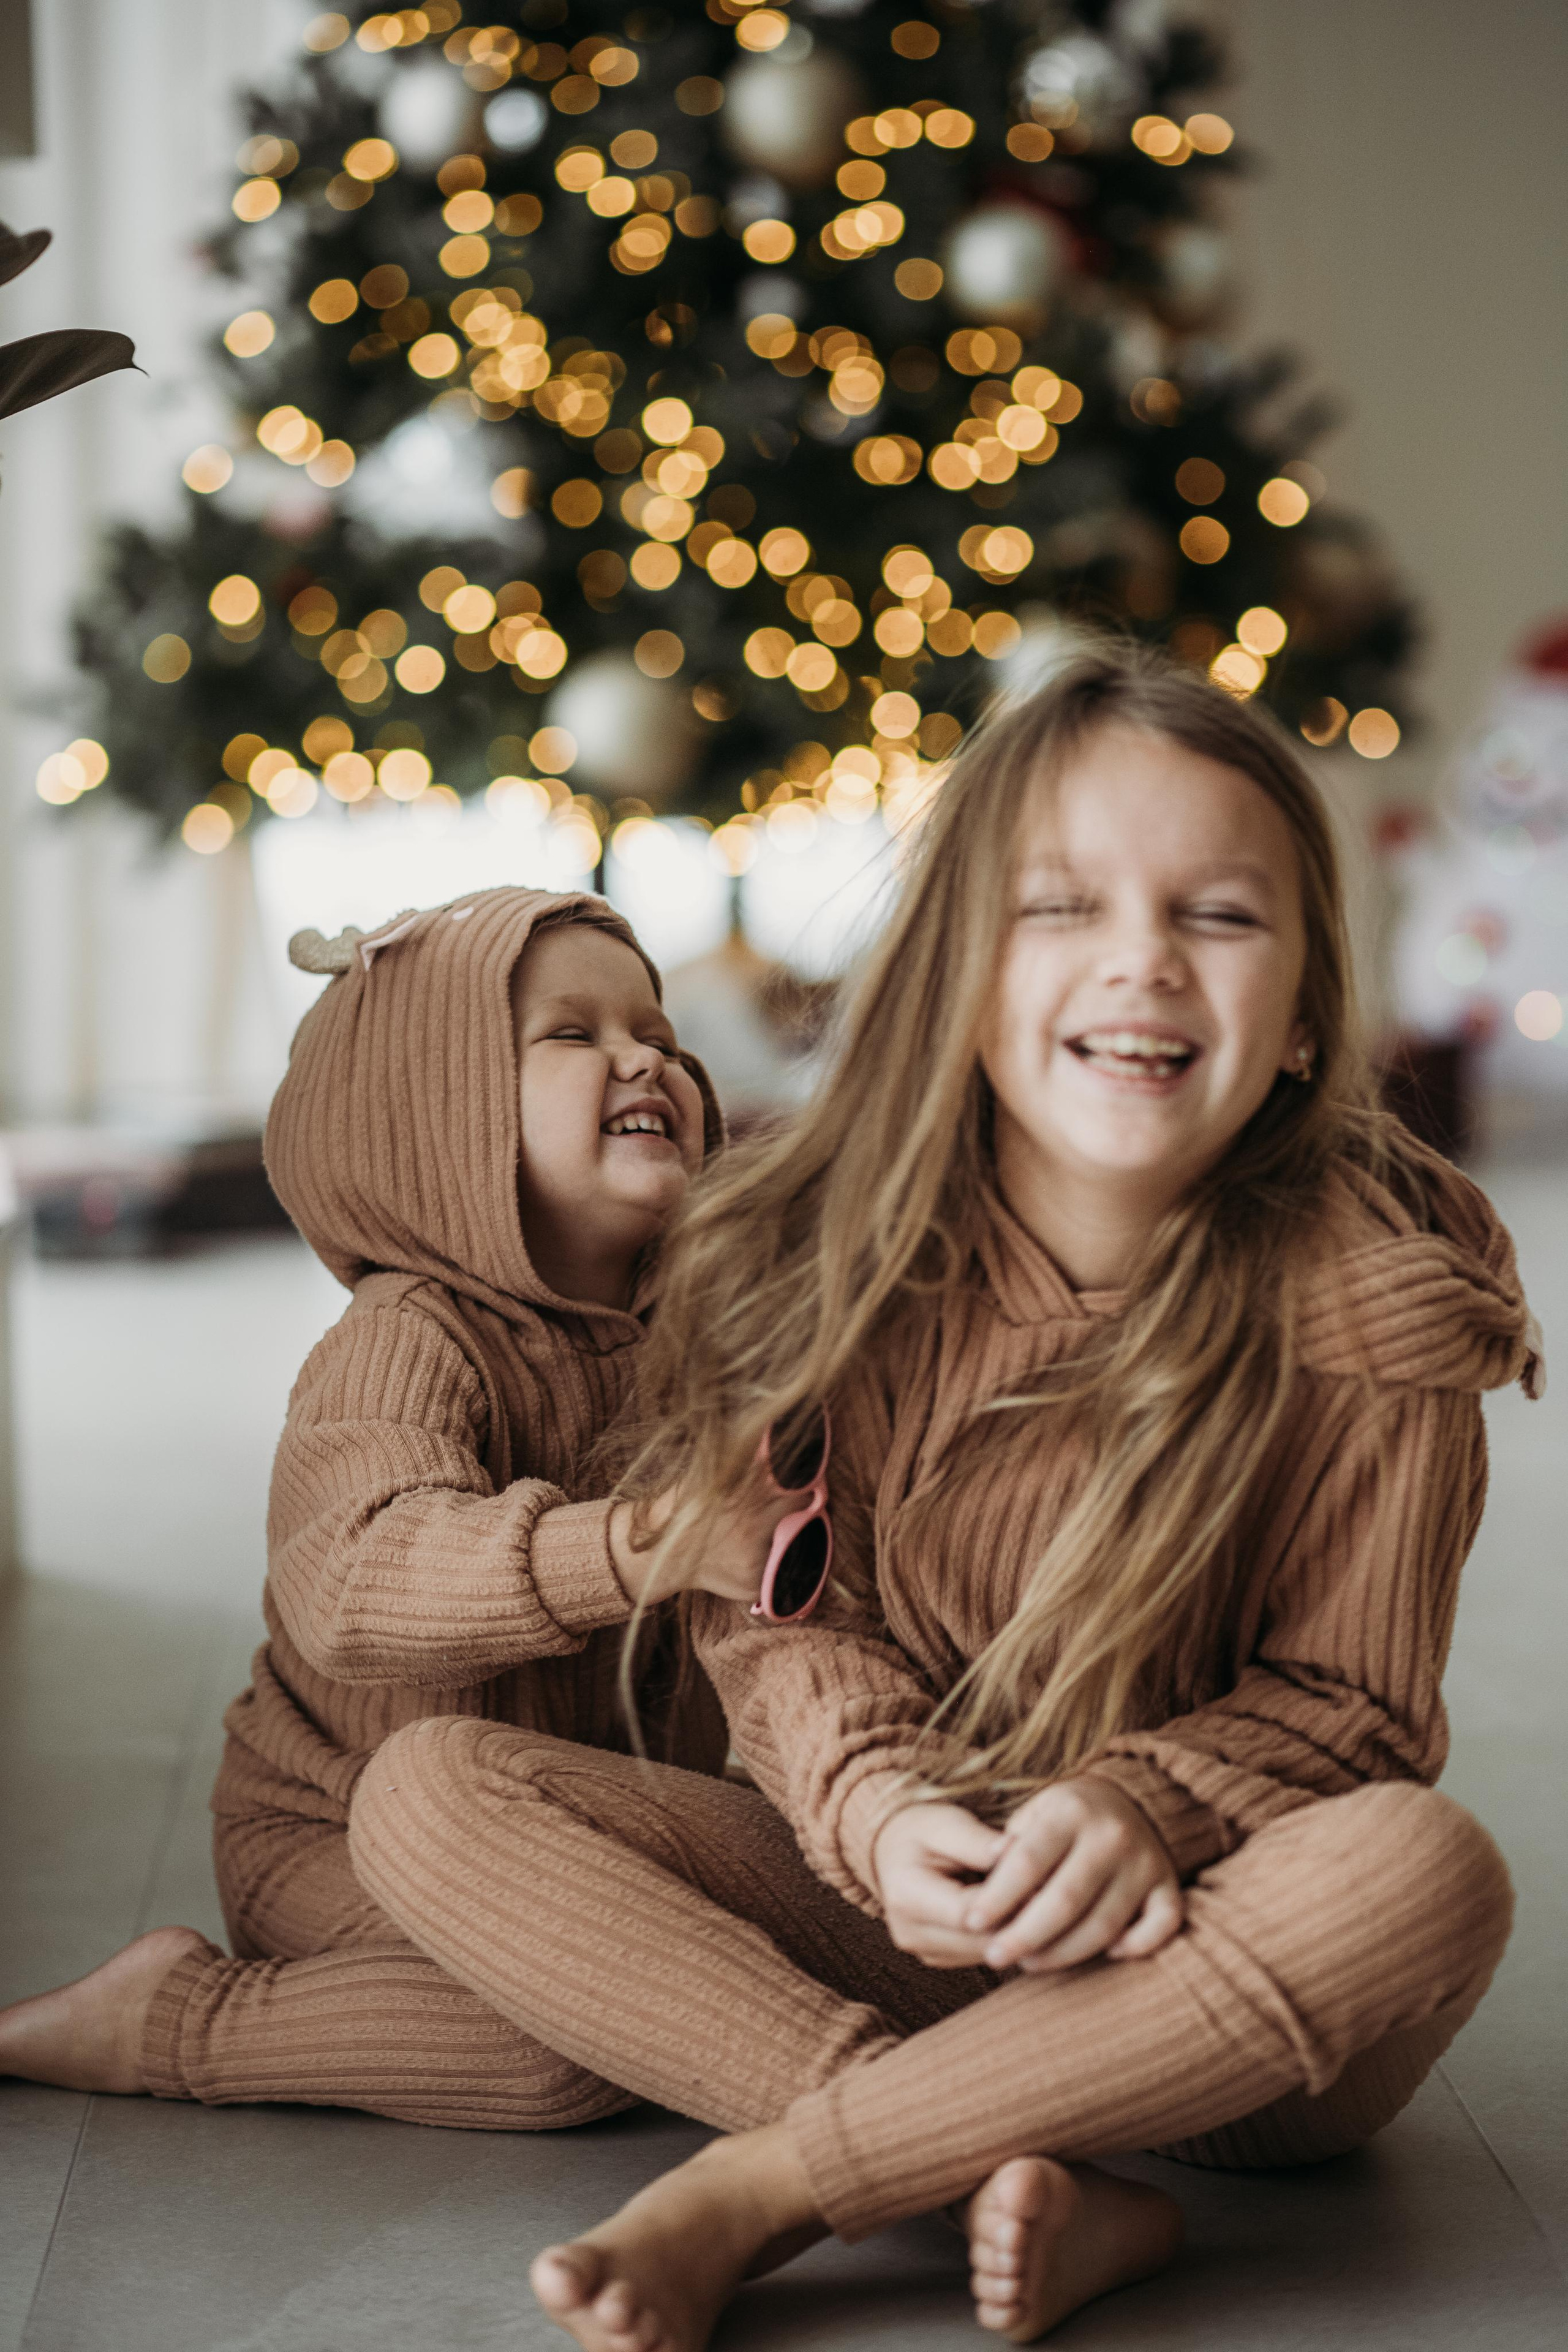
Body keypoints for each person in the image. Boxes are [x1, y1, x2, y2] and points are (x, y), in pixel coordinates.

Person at [325, 651, 1530, 2350]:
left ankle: (769, 2188)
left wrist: (1144, 1810)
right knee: (429, 1792)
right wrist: (885, 1815)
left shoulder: (1374, 1304)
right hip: (896, 1909)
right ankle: (980, 2170)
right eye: (1061, 906)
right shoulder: (827, 1263)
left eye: (1220, 917)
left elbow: (1352, 1709)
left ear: (1313, 1013)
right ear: (962, 976)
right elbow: (784, 1612)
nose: (1142, 959)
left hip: (1210, 1968)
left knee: (1424, 1871)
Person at [0, 886, 839, 2120]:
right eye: (571, 1035)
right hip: (347, 1841)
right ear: (434, 1117)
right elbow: (346, 1578)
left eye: (657, 1033)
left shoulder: (702, 1339)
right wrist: (632, 1545)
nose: (643, 1056)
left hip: (582, 1822)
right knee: (555, 2049)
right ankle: (175, 2016)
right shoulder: (407, 1340)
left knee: (723, 1957)